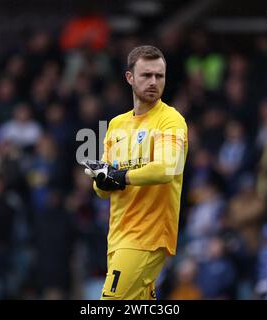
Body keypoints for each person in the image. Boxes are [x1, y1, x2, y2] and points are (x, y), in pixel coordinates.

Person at [82, 45, 188, 300]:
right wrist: (103, 181)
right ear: (130, 77)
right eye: (146, 75)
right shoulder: (116, 125)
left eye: (159, 76)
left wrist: (121, 177)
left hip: (148, 236)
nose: (154, 82)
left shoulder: (170, 120)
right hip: (118, 236)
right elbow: (102, 190)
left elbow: (166, 169)